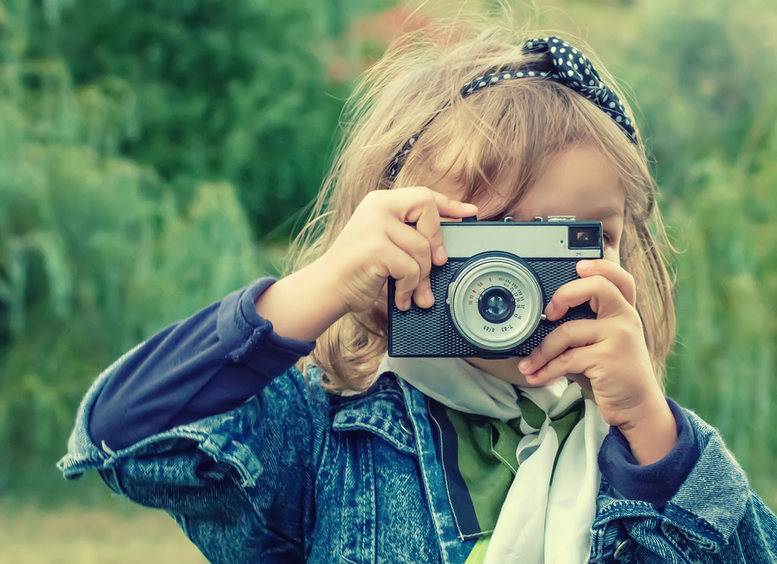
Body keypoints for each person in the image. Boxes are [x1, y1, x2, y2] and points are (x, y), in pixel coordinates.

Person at [59, 14, 777, 564]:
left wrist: (653, 440)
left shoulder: (651, 446)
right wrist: (320, 288)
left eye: (581, 239)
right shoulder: (322, 434)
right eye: (495, 237)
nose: (521, 280)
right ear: (396, 235)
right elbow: (120, 438)